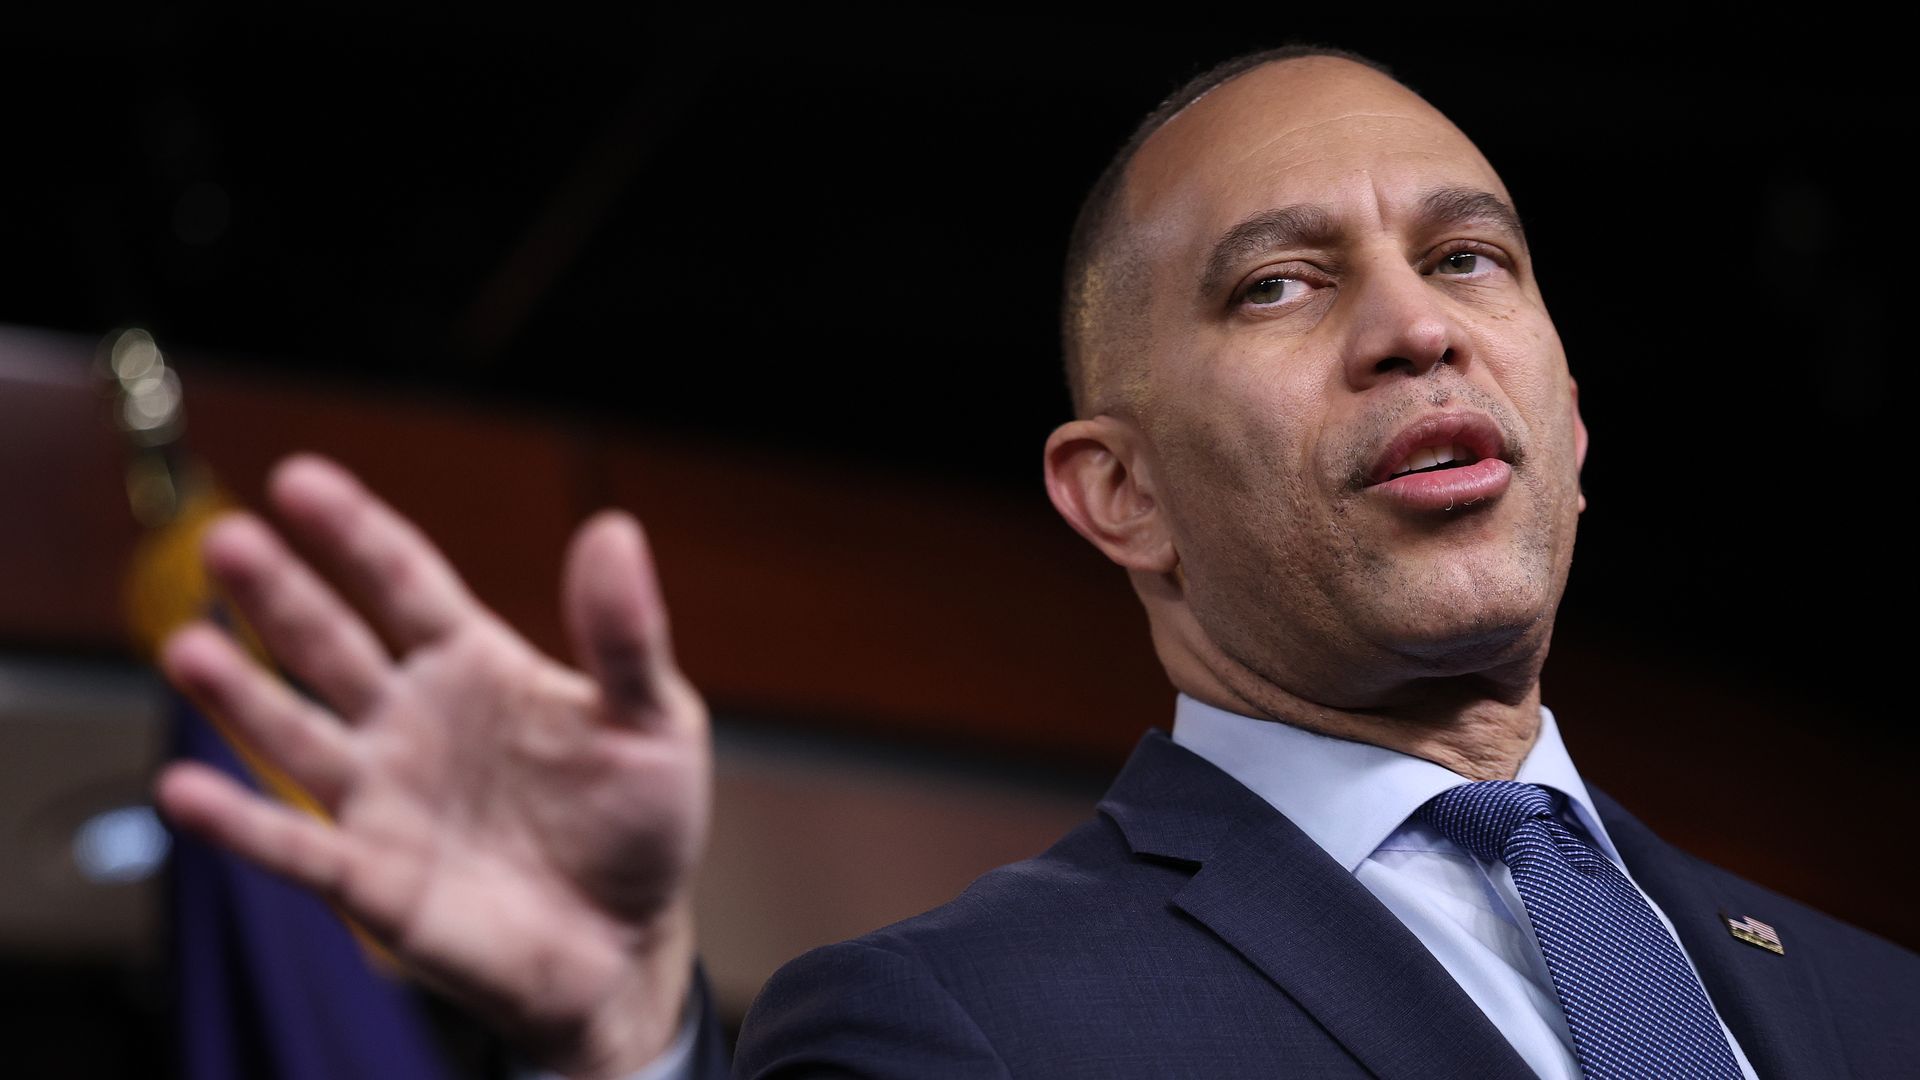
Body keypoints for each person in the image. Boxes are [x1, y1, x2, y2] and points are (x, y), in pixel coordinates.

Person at [154, 44, 1918, 1080]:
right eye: (1279, 285)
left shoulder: (1874, 997)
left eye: (1470, 259)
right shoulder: (958, 1026)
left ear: (1575, 421)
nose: (1414, 330)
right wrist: (624, 1040)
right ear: (1116, 495)